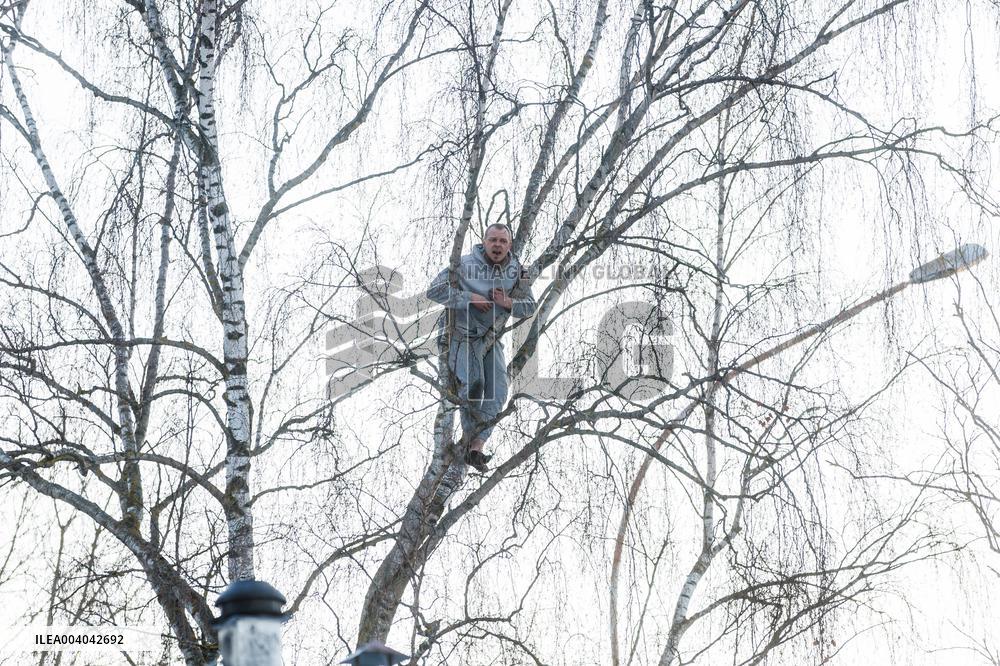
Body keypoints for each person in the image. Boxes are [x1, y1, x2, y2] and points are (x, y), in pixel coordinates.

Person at [426, 223, 536, 472]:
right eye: (493, 240)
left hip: (490, 337)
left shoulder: (519, 271)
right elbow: (434, 290)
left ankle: (476, 447)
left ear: (510, 245)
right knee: (475, 383)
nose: (497, 245)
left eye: (503, 241)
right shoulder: (464, 264)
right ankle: (468, 440)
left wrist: (508, 302)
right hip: (460, 335)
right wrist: (469, 298)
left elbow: (530, 306)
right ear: (484, 242)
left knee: (498, 390)